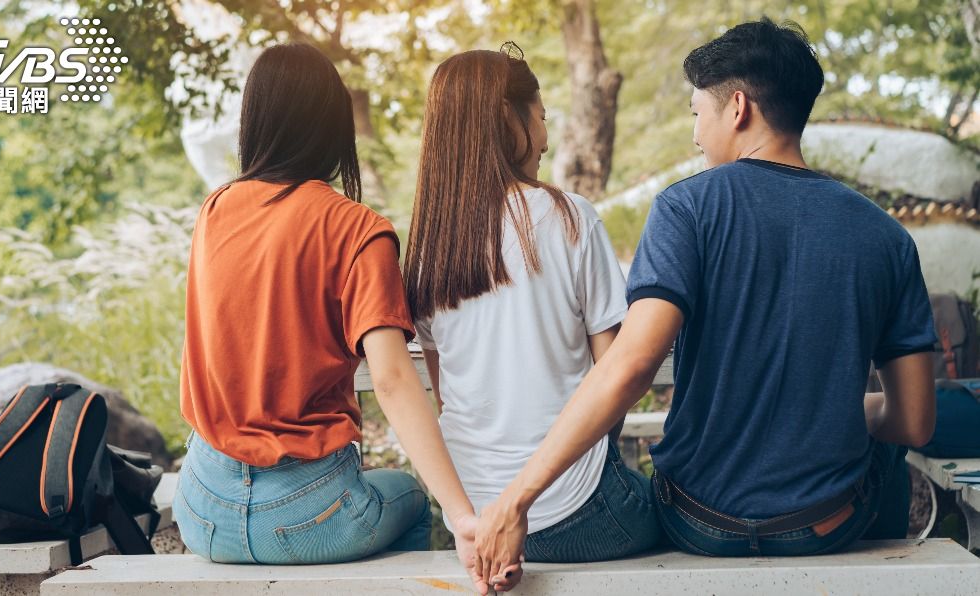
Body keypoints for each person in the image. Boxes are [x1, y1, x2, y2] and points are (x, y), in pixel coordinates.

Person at [472, 17, 937, 582]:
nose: (695, 134)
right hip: (826, 522)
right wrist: (835, 409)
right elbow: (913, 423)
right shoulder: (887, 236)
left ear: (737, 107)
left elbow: (632, 363)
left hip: (698, 521)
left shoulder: (685, 209)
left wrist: (518, 497)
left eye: (697, 113)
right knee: (882, 455)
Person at [174, 43, 483, 587]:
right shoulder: (359, 230)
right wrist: (463, 517)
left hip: (203, 510)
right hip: (308, 517)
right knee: (409, 495)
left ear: (255, 120)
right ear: (333, 124)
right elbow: (389, 379)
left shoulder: (215, 209)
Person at [403, 43, 661, 589]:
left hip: (470, 521)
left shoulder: (428, 250)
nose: (545, 138)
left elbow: (444, 393)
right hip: (579, 513)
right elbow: (612, 380)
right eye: (541, 117)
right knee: (678, 497)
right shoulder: (570, 218)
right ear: (509, 120)